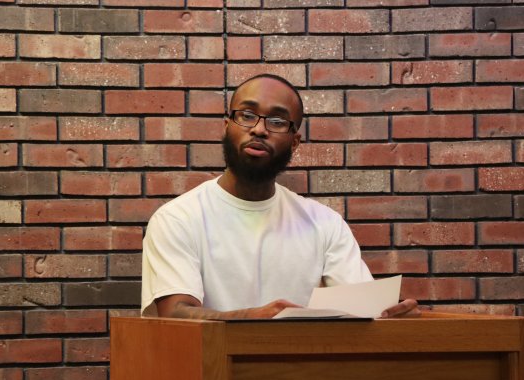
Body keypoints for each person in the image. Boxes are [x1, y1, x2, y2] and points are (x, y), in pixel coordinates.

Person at [141, 74, 420, 319]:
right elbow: (175, 313)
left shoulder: (324, 224)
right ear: (226, 126)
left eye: (276, 121)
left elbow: (361, 311)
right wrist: (255, 318)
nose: (259, 129)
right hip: (211, 375)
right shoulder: (178, 218)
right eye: (247, 115)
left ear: (294, 141)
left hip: (300, 377)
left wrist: (391, 314)